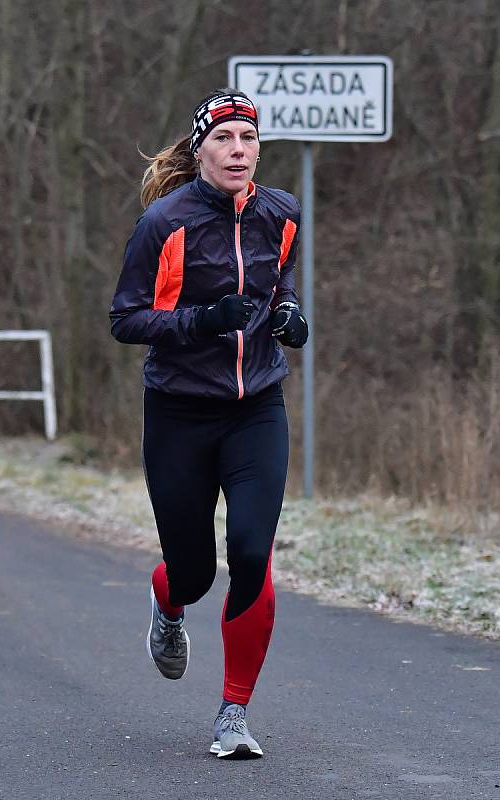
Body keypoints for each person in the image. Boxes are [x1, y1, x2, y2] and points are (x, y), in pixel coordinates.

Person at [109, 89, 308, 760]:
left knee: (252, 552)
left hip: (257, 408)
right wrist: (201, 321)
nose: (238, 151)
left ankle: (233, 714)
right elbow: (127, 318)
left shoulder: (282, 213)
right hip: (180, 411)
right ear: (201, 152)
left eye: (248, 140)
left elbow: (277, 288)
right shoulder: (164, 222)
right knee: (193, 573)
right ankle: (168, 606)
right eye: (225, 140)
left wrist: (289, 317)